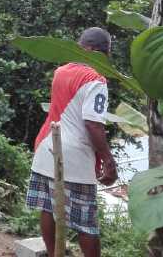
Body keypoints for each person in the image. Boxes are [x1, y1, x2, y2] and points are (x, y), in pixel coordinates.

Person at [26, 27, 118, 257]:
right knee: (86, 222)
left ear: (81, 47)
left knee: (48, 208)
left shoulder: (61, 71)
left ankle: (53, 254)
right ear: (102, 53)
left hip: (47, 147)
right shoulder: (96, 80)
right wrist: (108, 159)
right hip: (74, 159)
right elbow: (93, 124)